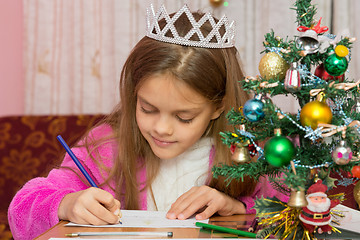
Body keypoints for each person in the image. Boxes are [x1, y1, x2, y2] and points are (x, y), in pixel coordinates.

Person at [8, 4, 289, 240]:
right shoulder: (108, 144)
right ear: (134, 95)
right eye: (147, 108)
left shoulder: (252, 149)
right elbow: (22, 207)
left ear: (218, 106)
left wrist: (238, 207)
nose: (162, 128)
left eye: (183, 117)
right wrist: (66, 205)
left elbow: (295, 214)